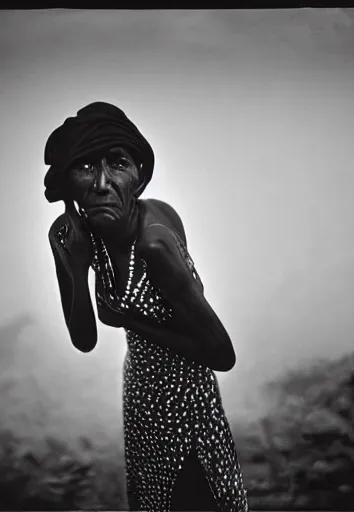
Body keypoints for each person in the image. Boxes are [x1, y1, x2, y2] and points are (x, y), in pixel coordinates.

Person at [44, 102, 248, 512]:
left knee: (197, 499)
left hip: (186, 400)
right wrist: (78, 267)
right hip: (141, 391)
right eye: (84, 167)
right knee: (151, 500)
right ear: (68, 184)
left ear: (139, 174)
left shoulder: (154, 244)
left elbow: (222, 355)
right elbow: (85, 338)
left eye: (116, 164)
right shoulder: (72, 237)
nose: (102, 183)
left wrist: (132, 322)